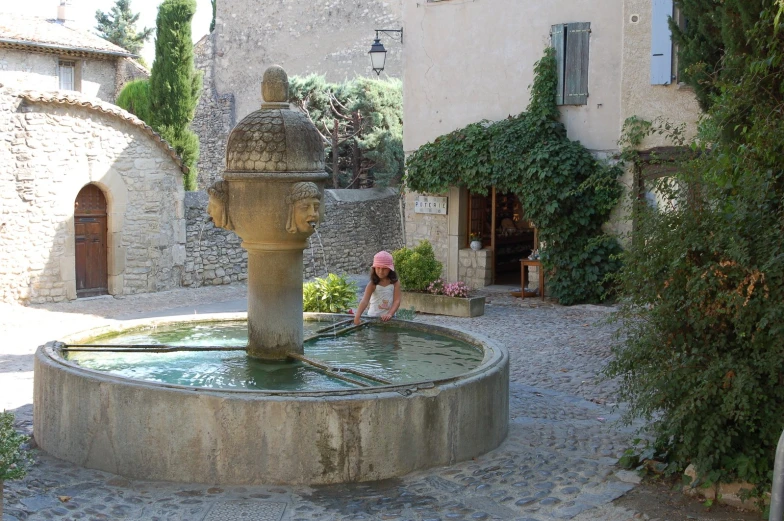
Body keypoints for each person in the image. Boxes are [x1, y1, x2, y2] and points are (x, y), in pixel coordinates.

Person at [354, 251, 401, 325]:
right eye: (378, 268)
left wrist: (390, 314)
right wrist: (357, 316)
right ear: (374, 268)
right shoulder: (372, 284)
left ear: (390, 269)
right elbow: (364, 301)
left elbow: (397, 301)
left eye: (384, 268)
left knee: (390, 336)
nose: (380, 271)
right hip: (373, 318)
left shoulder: (395, 283)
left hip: (390, 318)